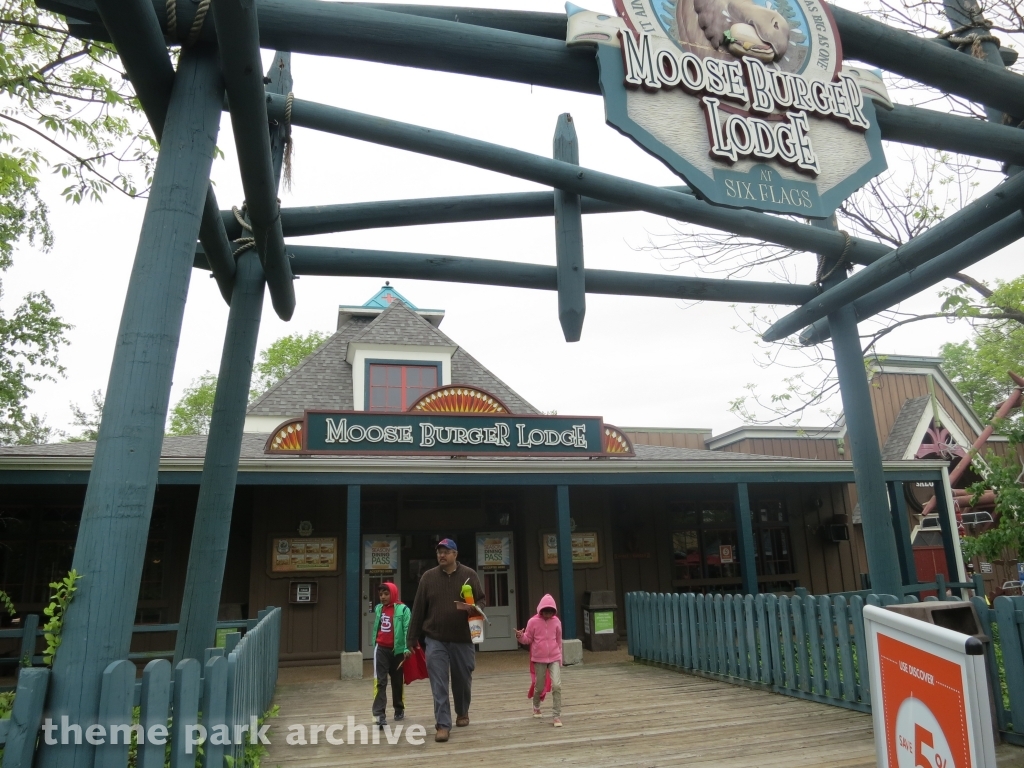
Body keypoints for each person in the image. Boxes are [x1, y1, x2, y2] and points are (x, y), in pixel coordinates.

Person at [406, 537, 485, 743]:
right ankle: (442, 724)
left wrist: (475, 608)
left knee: (462, 680)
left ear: (455, 555)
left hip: (462, 638)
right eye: (439, 552)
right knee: (438, 682)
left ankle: (462, 711)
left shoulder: (469, 575)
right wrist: (412, 637)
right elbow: (418, 609)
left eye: (446, 551)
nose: (441, 555)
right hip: (435, 639)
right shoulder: (428, 578)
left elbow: (482, 599)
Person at [516, 594, 564, 727]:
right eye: (545, 612)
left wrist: (560, 658)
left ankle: (556, 715)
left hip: (554, 657)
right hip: (539, 659)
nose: (548, 615)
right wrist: (520, 636)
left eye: (551, 612)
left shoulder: (557, 622)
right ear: (540, 610)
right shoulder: (533, 622)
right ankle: (536, 705)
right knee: (540, 686)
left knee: (557, 685)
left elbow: (559, 641)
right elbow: (527, 639)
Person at [372, 581, 411, 728]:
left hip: (398, 651)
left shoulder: (403, 610)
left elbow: (407, 628)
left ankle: (399, 708)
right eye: (380, 594)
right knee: (381, 682)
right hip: (381, 649)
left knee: (397, 681)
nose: (383, 597)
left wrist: (407, 647)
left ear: (393, 594)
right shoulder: (378, 609)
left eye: (386, 594)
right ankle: (379, 714)